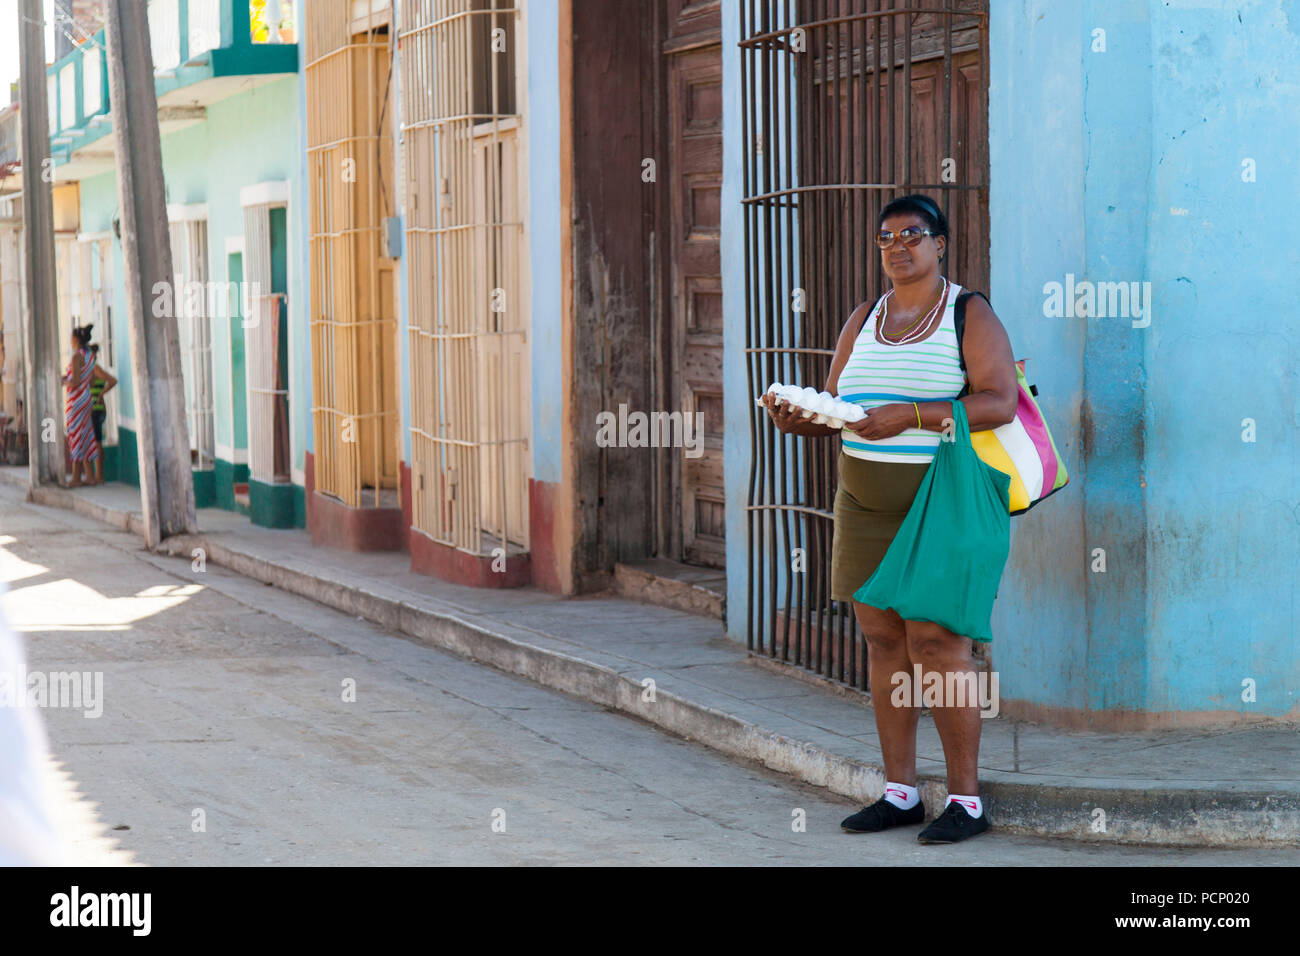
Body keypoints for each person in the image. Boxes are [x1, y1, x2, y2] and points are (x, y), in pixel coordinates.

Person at [761, 194, 1018, 844]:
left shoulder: (968, 312)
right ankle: (900, 792)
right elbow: (840, 404)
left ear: (940, 244)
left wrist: (912, 413)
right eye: (886, 238)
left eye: (913, 234)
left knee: (936, 642)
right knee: (881, 639)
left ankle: (966, 801)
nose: (898, 246)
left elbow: (1000, 402)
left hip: (939, 500)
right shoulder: (864, 317)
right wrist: (801, 418)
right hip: (863, 501)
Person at [61, 324, 98, 487]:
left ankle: (76, 476)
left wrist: (61, 380)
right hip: (86, 398)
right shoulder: (90, 356)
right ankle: (90, 475)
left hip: (75, 401)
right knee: (85, 436)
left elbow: (75, 381)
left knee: (75, 436)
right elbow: (88, 379)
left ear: (75, 339)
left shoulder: (77, 357)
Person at [87, 344, 116, 485]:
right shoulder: (88, 369)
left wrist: (101, 394)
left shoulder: (94, 369)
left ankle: (99, 475)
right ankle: (94, 476)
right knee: (93, 442)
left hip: (95, 410)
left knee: (97, 443)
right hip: (92, 410)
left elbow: (112, 380)